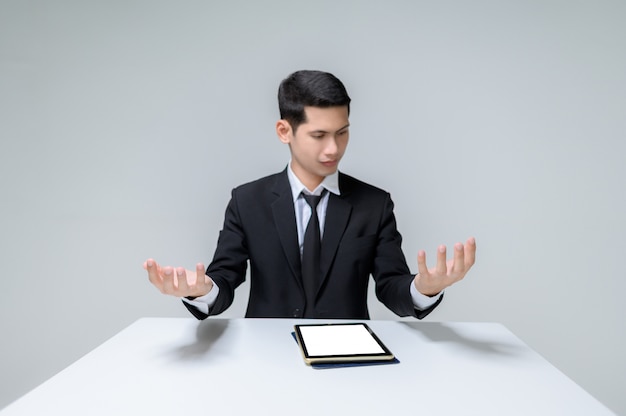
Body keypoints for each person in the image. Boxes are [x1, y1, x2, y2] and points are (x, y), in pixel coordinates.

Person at [144, 70, 476, 320]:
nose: (334, 148)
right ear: (284, 131)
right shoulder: (247, 201)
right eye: (319, 135)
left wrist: (424, 288)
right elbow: (224, 280)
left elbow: (391, 287)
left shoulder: (374, 205)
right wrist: (202, 290)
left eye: (342, 133)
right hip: (266, 358)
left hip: (348, 360)